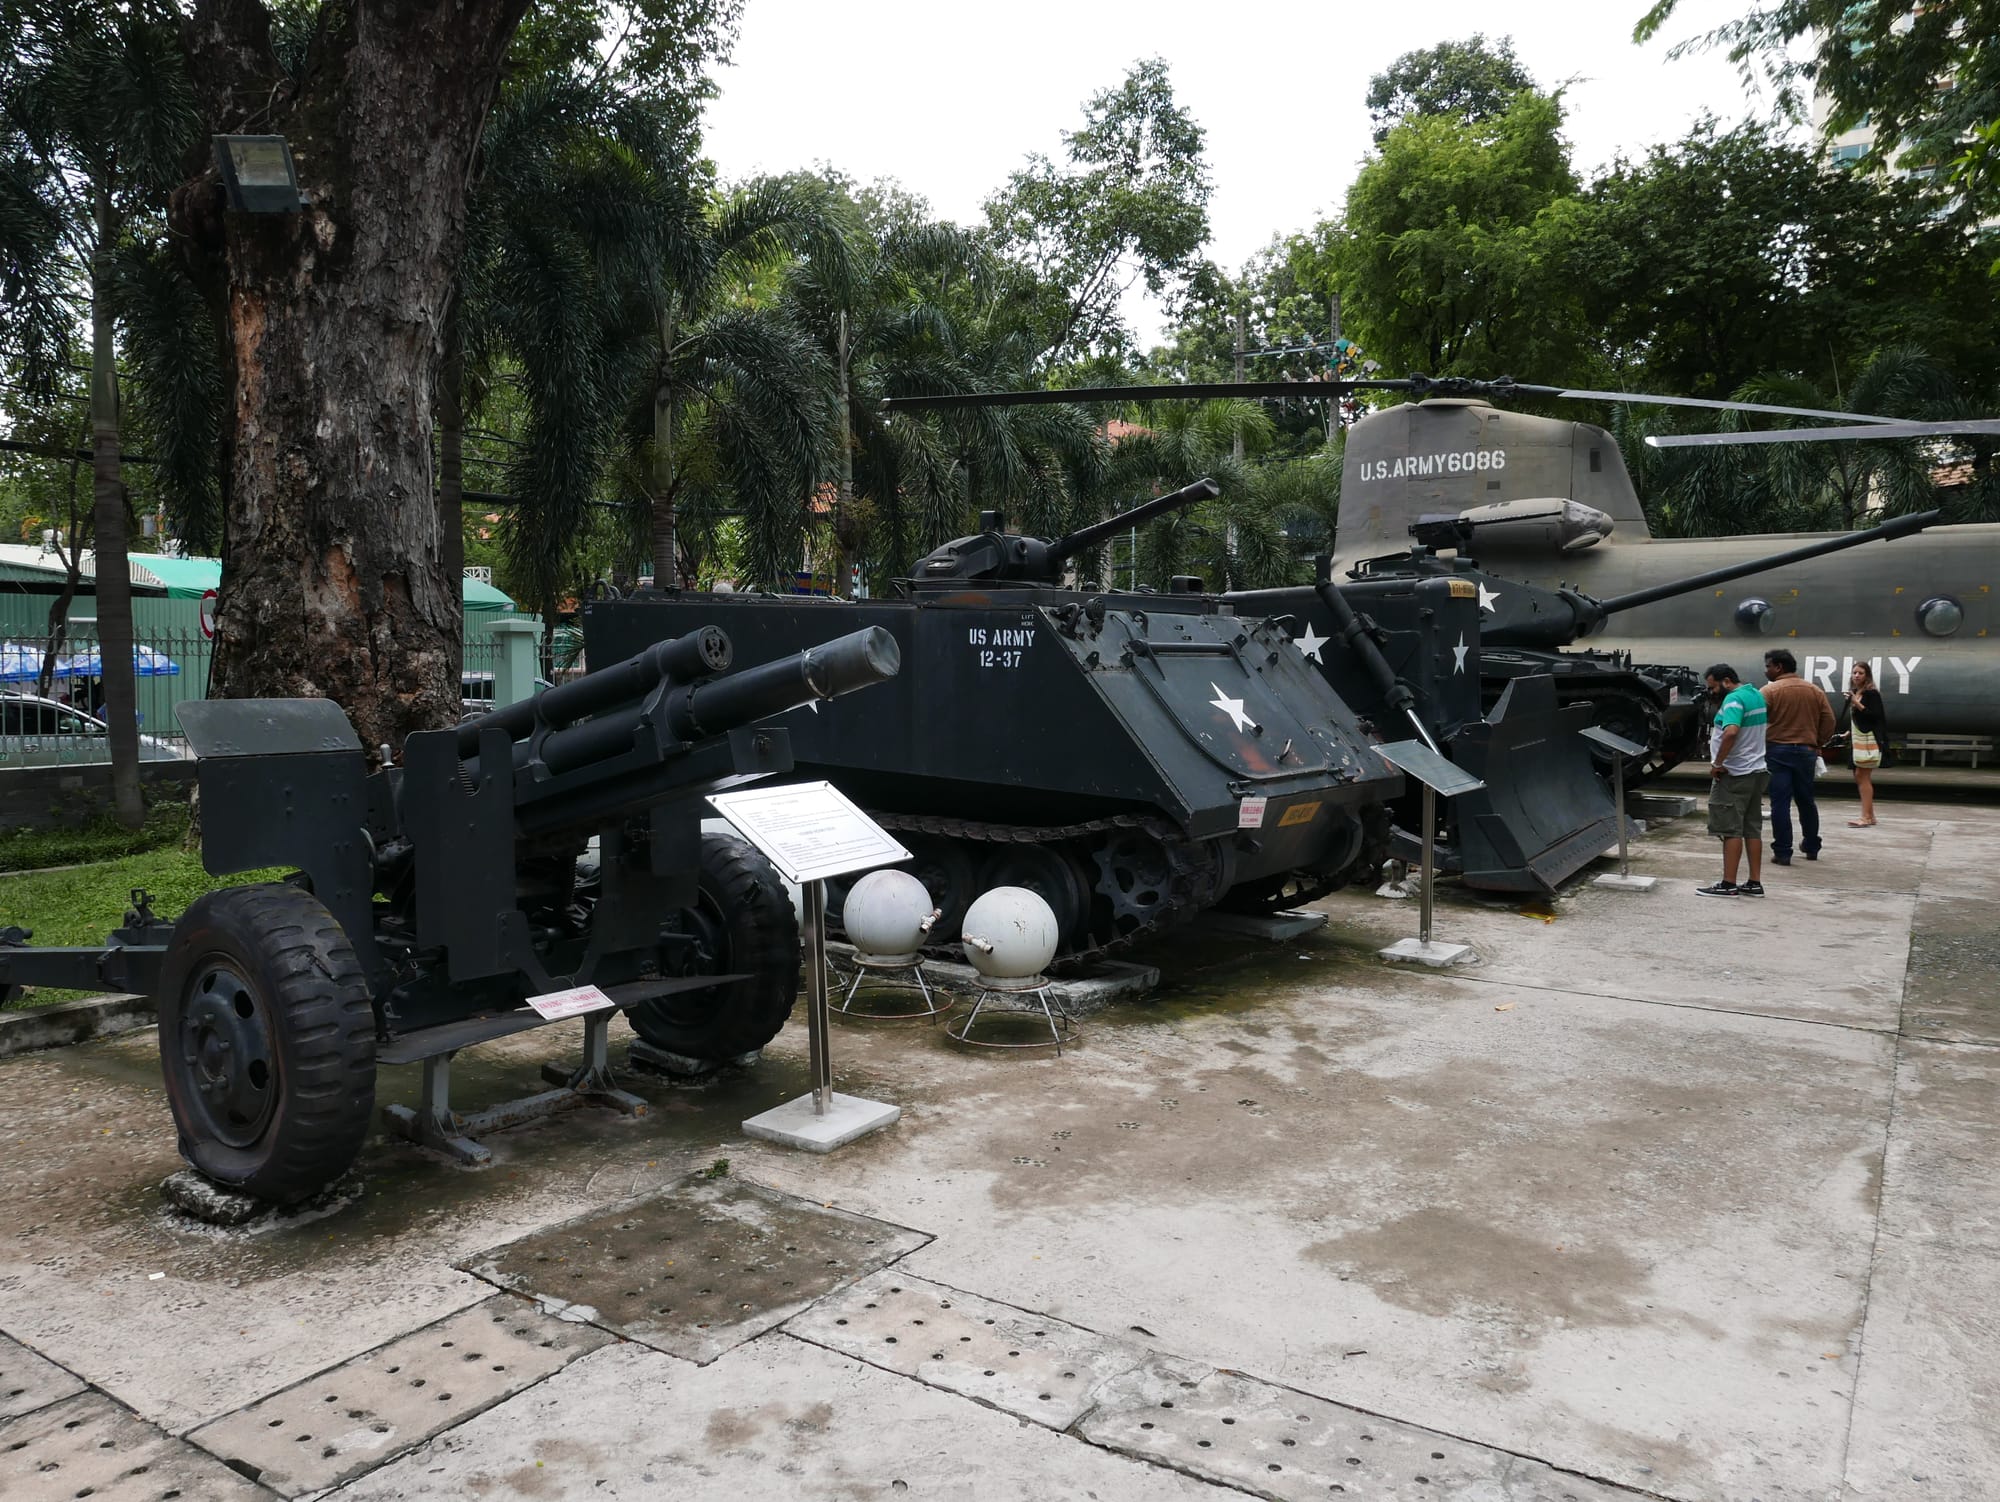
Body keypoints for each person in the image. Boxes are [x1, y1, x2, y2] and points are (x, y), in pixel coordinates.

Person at [1698, 663, 1769, 897]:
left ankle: (1728, 884)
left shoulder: (1734, 700)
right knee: (1752, 828)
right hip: (1757, 770)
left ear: (1726, 681)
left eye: (1714, 687)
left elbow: (1730, 731)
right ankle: (1754, 882)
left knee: (1730, 830)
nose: (1712, 692)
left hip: (1735, 773)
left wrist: (1718, 763)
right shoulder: (1755, 694)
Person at [1761, 648, 1836, 866]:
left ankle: (1783, 851)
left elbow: (1756, 720)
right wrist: (1817, 742)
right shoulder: (1814, 691)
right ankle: (1811, 846)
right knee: (1806, 800)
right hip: (1806, 752)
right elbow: (1829, 721)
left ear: (1779, 667)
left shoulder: (1769, 691)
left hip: (1777, 751)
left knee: (1780, 802)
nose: (1766, 670)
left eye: (1768, 666)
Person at [1845, 661, 1887, 827]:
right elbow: (1859, 719)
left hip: (1868, 741)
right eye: (1854, 672)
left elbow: (1875, 716)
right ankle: (1870, 815)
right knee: (1859, 775)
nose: (1856, 676)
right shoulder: (1857, 692)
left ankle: (1866, 817)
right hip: (1859, 739)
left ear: (1867, 675)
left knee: (1863, 776)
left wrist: (1856, 703)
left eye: (1860, 673)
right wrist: (1848, 732)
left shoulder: (1871, 694)